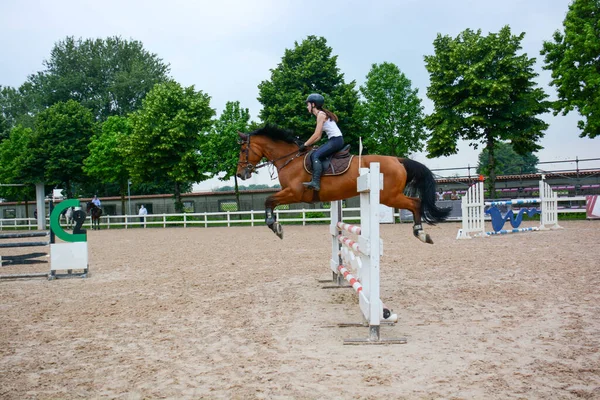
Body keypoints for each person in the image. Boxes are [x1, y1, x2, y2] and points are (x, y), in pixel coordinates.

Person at [301, 93, 345, 191]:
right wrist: (308, 144)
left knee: (315, 155)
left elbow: (316, 134)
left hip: (336, 140)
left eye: (307, 104)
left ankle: (316, 182)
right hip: (335, 140)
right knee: (315, 152)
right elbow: (319, 137)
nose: (307, 106)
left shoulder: (320, 115)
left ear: (313, 105)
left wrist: (305, 144)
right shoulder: (321, 114)